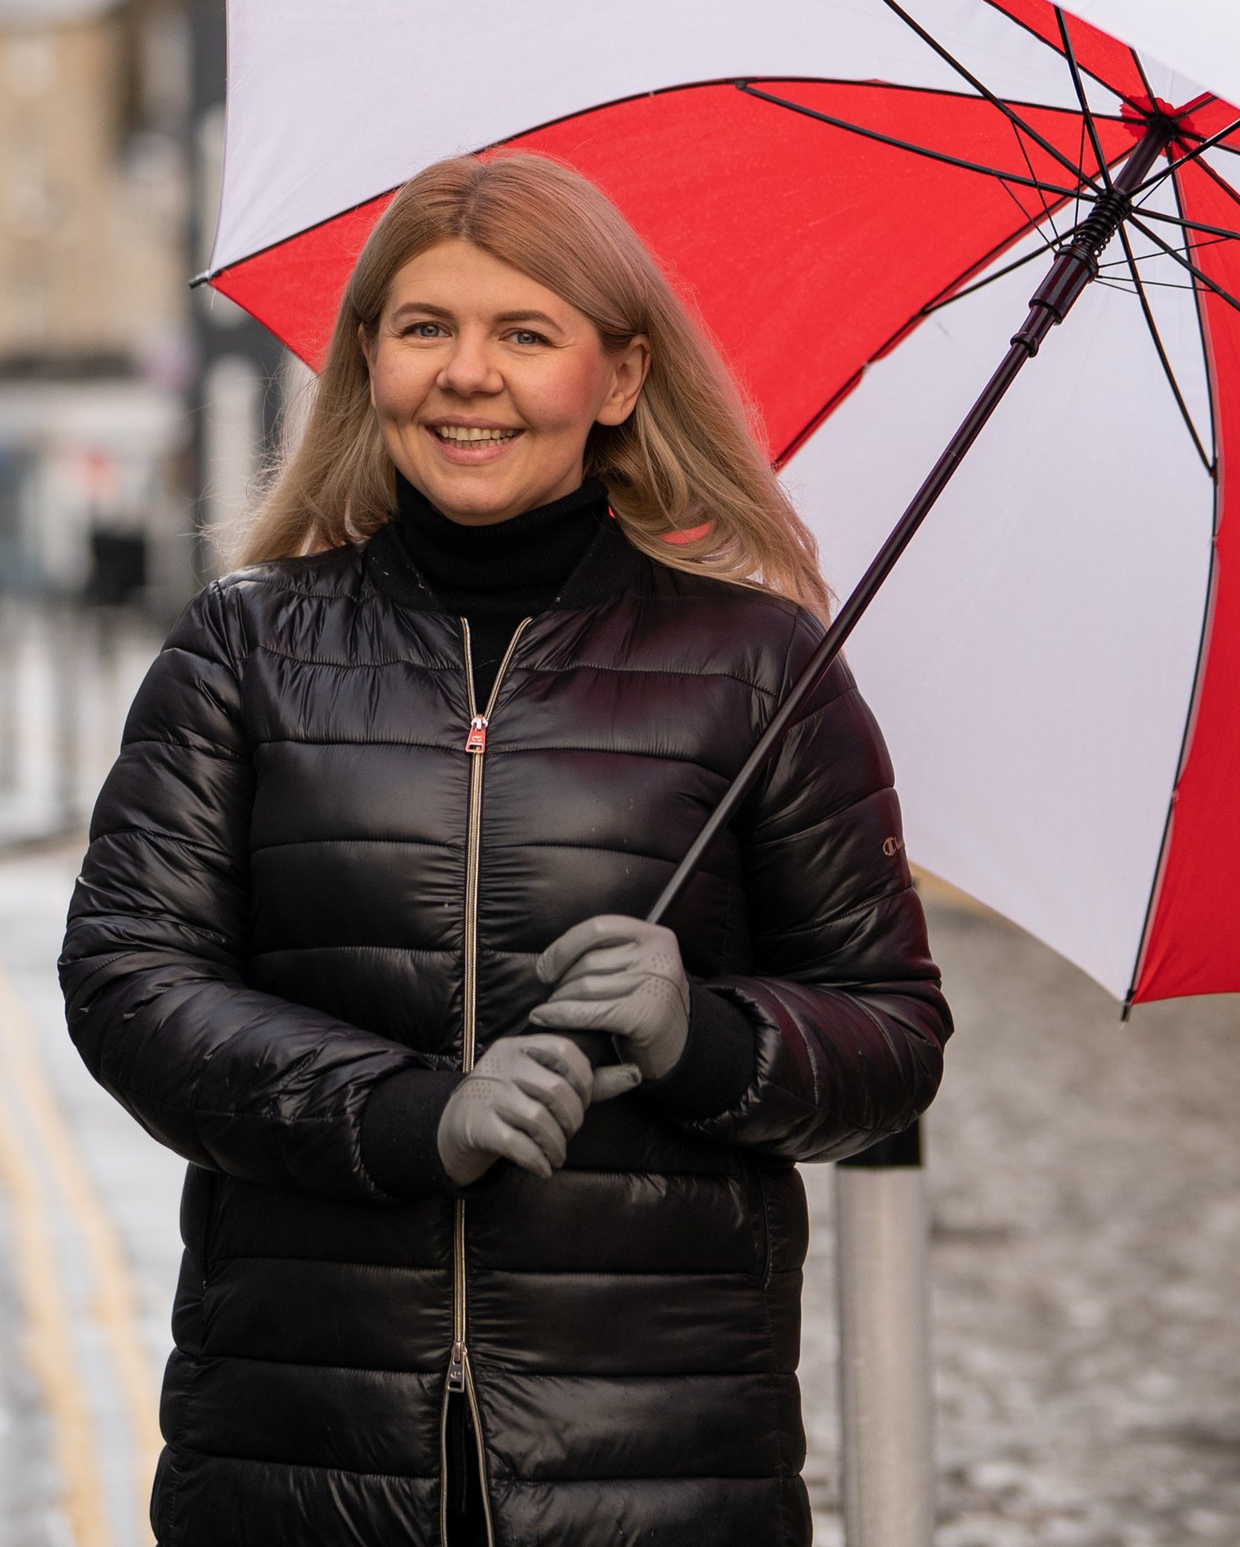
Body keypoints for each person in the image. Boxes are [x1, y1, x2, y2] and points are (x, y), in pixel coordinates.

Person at [61, 151, 948, 1546]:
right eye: (427, 329)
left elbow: (891, 1032)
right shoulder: (245, 648)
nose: (467, 375)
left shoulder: (759, 671)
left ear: (619, 379)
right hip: (298, 1458)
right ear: (370, 363)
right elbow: (130, 982)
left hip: (656, 1471)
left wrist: (702, 1036)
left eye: (525, 334)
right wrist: (408, 1113)